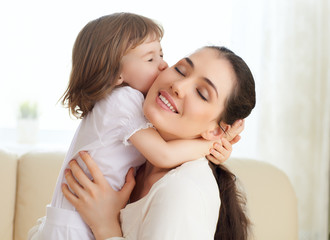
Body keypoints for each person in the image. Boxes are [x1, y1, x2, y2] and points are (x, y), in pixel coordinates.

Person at [29, 13, 239, 240]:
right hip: (73, 227)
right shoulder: (123, 101)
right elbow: (164, 154)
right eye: (150, 59)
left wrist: (215, 139)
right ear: (117, 74)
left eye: (162, 55)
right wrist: (212, 142)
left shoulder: (183, 188)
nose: (163, 65)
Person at [61, 46, 256, 240]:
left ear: (215, 130)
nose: (178, 86)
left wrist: (106, 226)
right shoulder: (131, 154)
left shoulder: (184, 191)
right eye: (180, 70)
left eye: (202, 93)